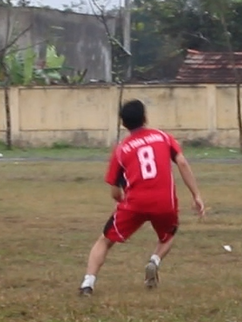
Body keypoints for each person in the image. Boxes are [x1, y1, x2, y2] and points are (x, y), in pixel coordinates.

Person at [78, 99, 205, 296]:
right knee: (168, 236)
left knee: (105, 241)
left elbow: (115, 192)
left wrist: (123, 203)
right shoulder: (162, 137)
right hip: (165, 202)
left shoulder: (121, 149)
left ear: (123, 123)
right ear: (145, 117)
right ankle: (154, 260)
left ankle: (88, 283)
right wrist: (196, 195)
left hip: (135, 203)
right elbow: (181, 162)